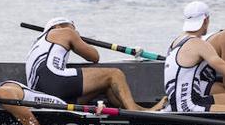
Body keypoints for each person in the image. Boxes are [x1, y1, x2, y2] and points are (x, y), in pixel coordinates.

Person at [25, 18, 156, 110]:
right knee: (114, 74)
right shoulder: (64, 32)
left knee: (105, 85)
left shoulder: (37, 44)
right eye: (74, 29)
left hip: (40, 95)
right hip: (53, 80)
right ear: (58, 26)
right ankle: (135, 111)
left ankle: (134, 109)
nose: (76, 32)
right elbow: (94, 56)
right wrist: (77, 37)